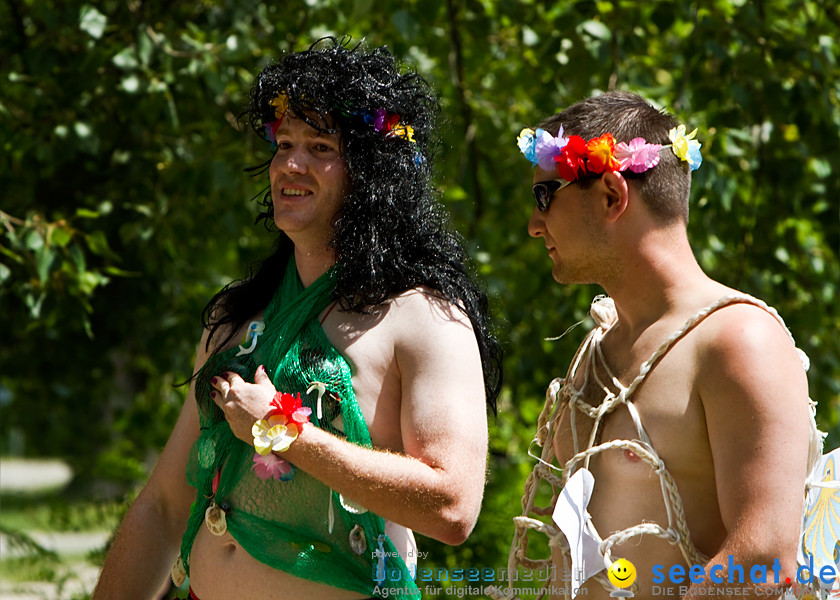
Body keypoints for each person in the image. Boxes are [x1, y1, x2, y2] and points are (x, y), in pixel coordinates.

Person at [92, 37, 502, 600]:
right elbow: (165, 506)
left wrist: (285, 433)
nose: (290, 162)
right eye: (284, 143)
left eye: (319, 146)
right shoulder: (232, 319)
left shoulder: (424, 318)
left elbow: (451, 507)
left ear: (372, 172)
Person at [505, 91, 822, 600]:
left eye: (546, 196)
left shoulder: (738, 338)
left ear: (611, 194)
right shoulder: (596, 350)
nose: (533, 223)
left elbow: (764, 560)